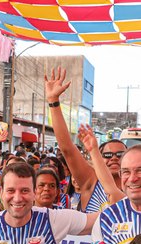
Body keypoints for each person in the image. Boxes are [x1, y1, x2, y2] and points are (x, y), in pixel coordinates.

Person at [46, 67, 123, 213]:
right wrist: (53, 101)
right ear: (98, 157)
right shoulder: (91, 181)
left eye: (120, 155)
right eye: (107, 155)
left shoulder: (138, 191)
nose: (114, 158)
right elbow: (67, 149)